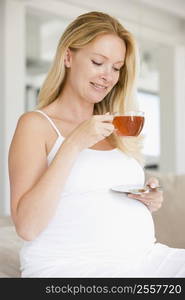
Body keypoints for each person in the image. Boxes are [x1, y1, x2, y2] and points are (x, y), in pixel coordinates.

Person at [8, 11, 185, 278]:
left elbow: (97, 195)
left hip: (144, 259)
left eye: (116, 68)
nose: (108, 76)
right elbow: (27, 227)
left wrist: (147, 198)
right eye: (98, 62)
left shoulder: (116, 127)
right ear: (68, 57)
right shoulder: (36, 125)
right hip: (73, 268)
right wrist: (74, 142)